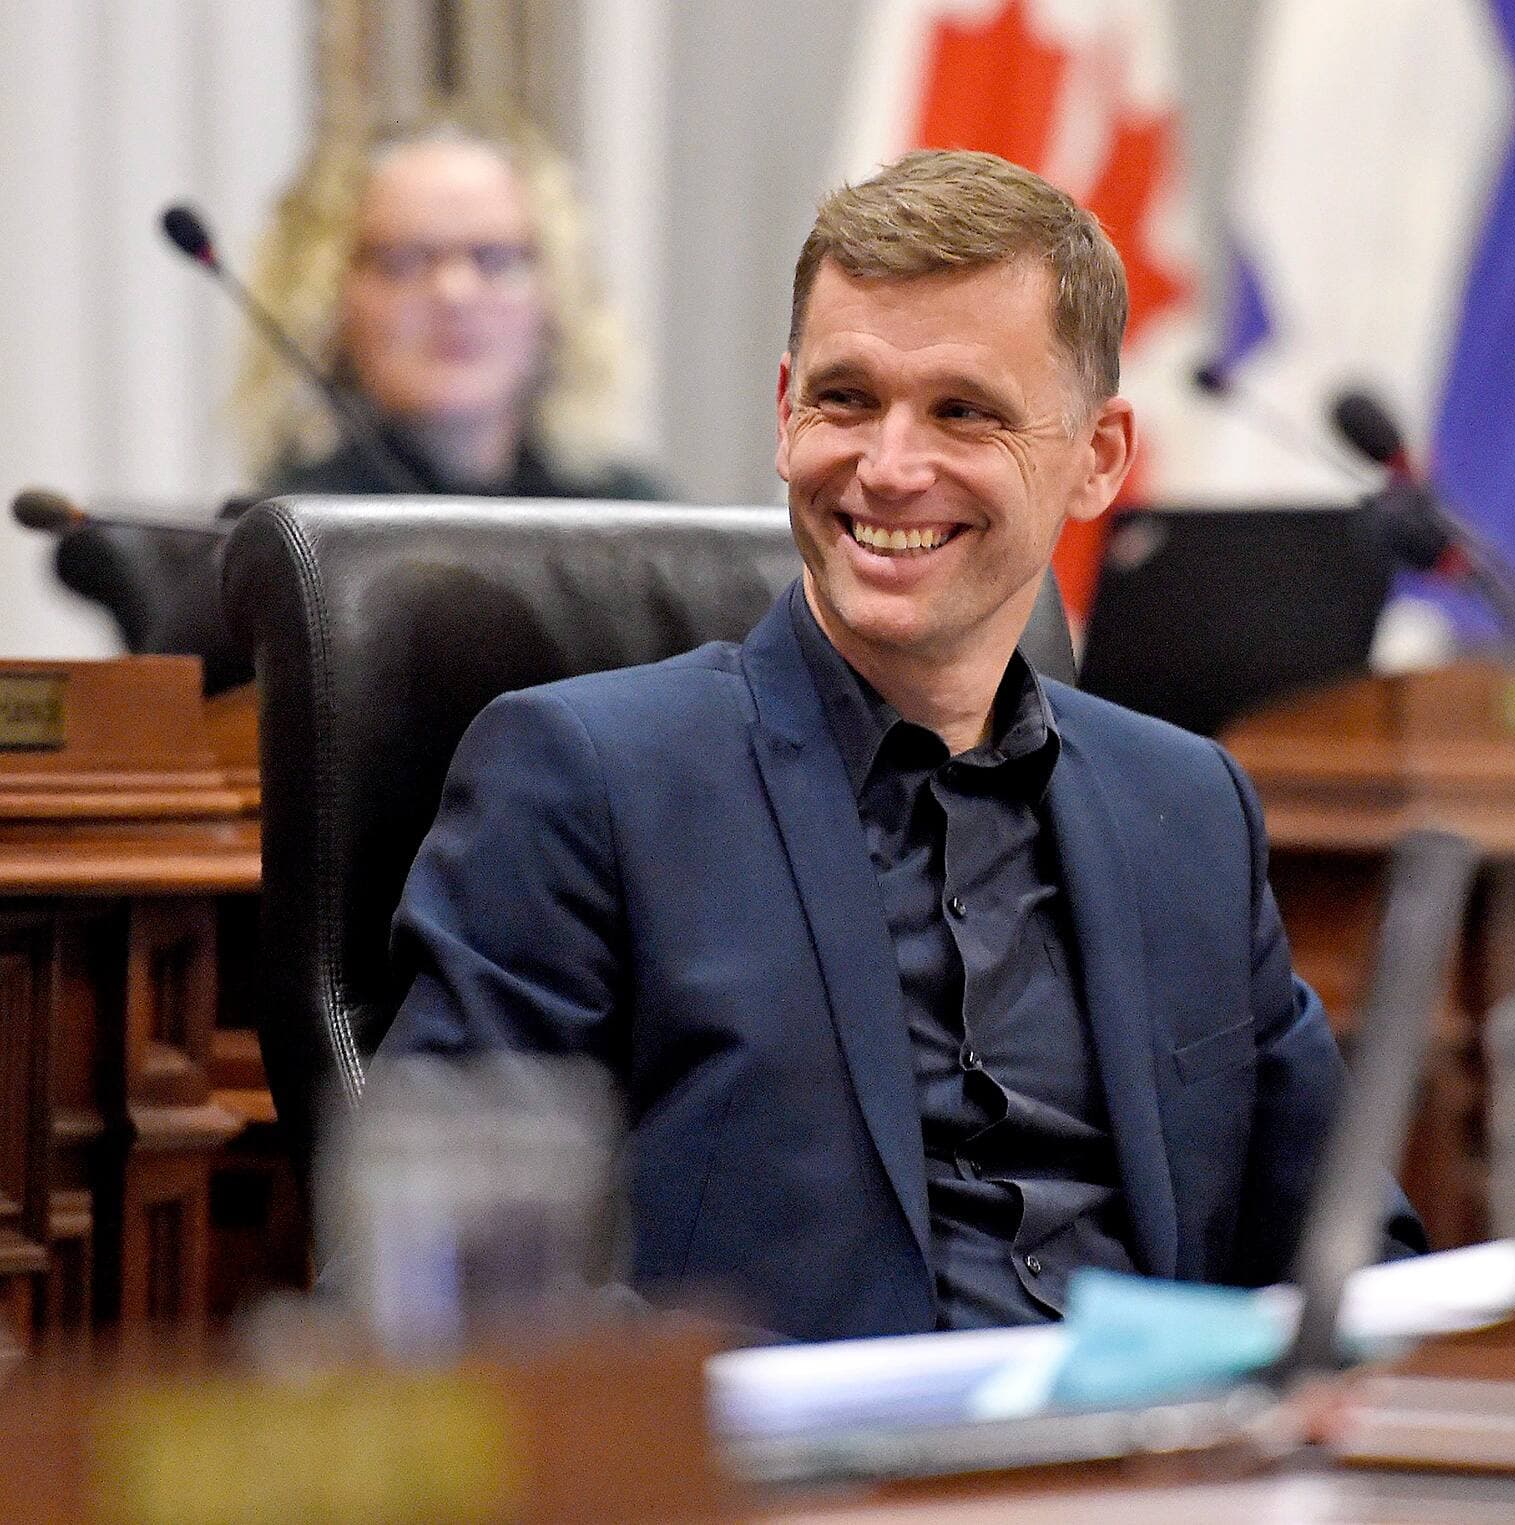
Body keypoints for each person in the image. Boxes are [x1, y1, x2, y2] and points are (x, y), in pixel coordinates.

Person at [380, 149, 1423, 1342]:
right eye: (845, 399)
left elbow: (1353, 1255)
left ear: (1099, 458)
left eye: (961, 412)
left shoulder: (1185, 806)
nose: (887, 467)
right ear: (783, 415)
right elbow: (453, 1269)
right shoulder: (585, 779)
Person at [152, 107, 663, 689]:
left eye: (495, 259)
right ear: (329, 301)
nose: (454, 292)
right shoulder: (288, 533)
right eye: (403, 262)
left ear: (557, 294)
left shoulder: (628, 514)